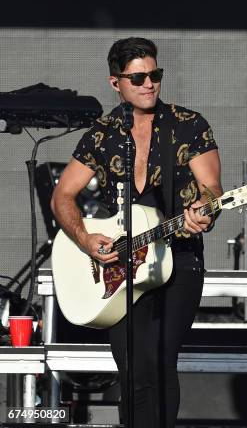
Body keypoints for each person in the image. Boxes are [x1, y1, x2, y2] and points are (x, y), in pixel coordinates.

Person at [50, 37, 222, 428]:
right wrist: (85, 239)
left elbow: (212, 189)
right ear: (116, 83)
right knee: (132, 369)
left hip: (177, 259)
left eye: (155, 74)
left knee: (159, 361)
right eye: (139, 77)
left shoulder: (188, 125)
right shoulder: (104, 132)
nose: (149, 84)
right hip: (121, 265)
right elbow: (63, 195)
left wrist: (202, 210)